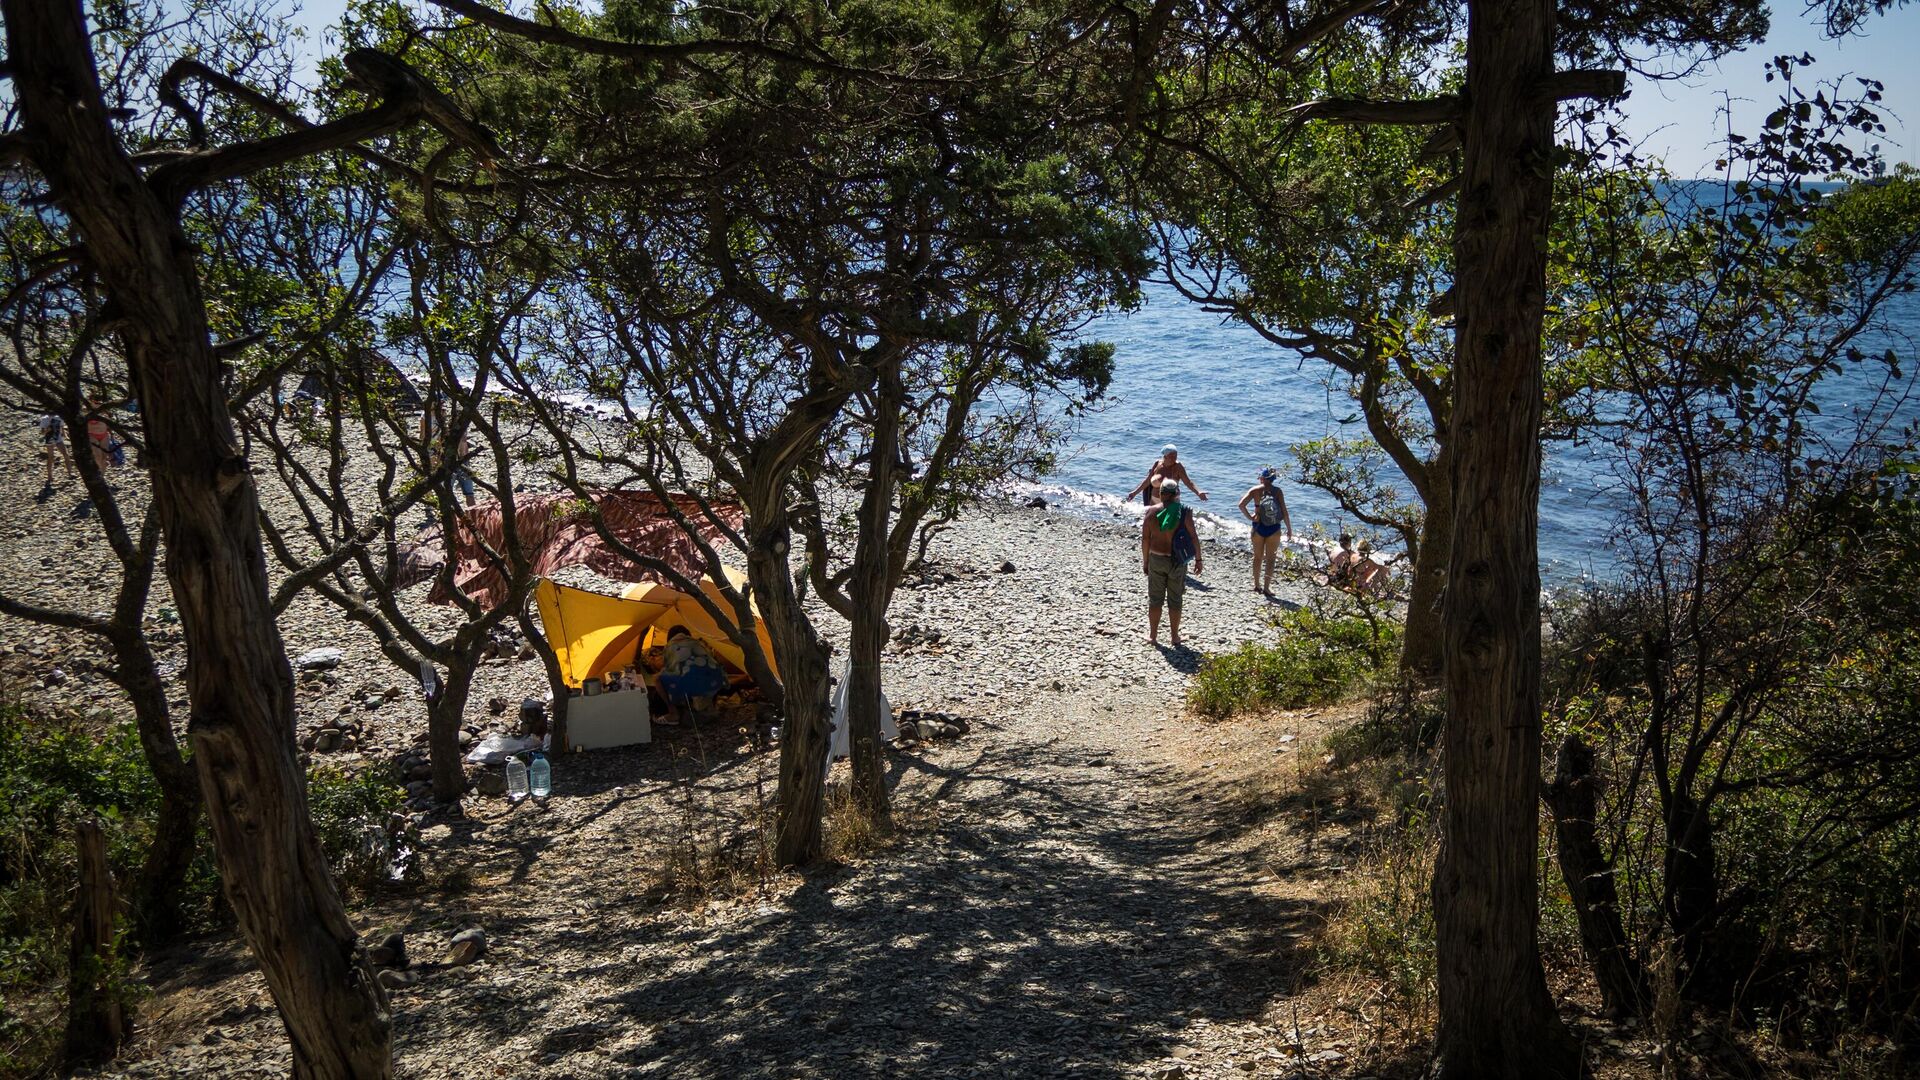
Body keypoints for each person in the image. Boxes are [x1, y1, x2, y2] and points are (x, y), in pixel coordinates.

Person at [1141, 480, 1203, 647]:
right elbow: (1193, 537)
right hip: (1177, 561)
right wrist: (1198, 559)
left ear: (1160, 494)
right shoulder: (1184, 513)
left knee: (1155, 599)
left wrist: (1146, 561)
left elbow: (1146, 539)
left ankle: (1153, 636)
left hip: (1156, 558)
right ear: (1177, 494)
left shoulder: (1151, 512)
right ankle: (1174, 637)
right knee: (1175, 599)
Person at [1237, 467, 1294, 595]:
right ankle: (1267, 587)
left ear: (1262, 478)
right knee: (1271, 559)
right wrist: (1289, 529)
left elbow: (1241, 505)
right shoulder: (1277, 491)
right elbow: (1284, 511)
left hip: (1258, 527)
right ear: (1273, 479)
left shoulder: (1255, 491)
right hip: (1274, 528)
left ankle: (1257, 585)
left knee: (1257, 557)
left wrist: (1250, 517)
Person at [657, 625, 726, 724]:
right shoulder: (699, 644)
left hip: (690, 684)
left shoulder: (671, 646)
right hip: (715, 682)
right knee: (704, 674)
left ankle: (673, 713)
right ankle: (708, 707)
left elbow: (668, 667)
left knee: (658, 679)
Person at [421, 401, 477, 507]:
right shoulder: (452, 429)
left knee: (445, 488)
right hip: (456, 460)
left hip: (453, 460)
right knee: (466, 492)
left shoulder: (448, 428)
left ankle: (437, 507)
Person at [1125, 444, 1207, 504]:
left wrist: (1198, 492)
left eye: (1175, 456)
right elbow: (1148, 481)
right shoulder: (1157, 463)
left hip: (1171, 501)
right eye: (1171, 456)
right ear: (1165, 456)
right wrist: (1134, 493)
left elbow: (1188, 482)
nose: (1174, 459)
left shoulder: (1178, 467)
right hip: (1155, 499)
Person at [36, 412, 73, 493]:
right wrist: (47, 430)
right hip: (49, 439)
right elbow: (42, 432)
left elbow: (61, 428)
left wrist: (65, 435)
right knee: (51, 457)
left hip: (58, 438)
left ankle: (70, 473)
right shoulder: (44, 419)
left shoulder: (59, 417)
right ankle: (50, 476)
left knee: (66, 454)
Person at [83, 399, 112, 472]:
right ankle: (98, 473)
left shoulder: (104, 413)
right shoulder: (87, 412)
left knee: (104, 457)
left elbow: (109, 426)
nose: (97, 404)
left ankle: (102, 476)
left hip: (104, 435)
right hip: (92, 435)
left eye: (98, 402)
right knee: (97, 456)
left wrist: (112, 436)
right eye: (95, 402)